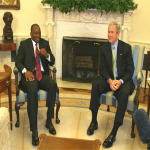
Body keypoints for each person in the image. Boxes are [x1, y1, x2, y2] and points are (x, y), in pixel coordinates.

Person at [87, 22, 135, 148]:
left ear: (118, 34)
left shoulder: (126, 48)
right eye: (108, 31)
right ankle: (94, 121)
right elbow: (102, 69)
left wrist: (120, 81)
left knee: (124, 93)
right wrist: (109, 81)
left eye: (112, 32)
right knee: (96, 84)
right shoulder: (103, 48)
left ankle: (113, 132)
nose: (109, 34)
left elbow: (130, 70)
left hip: (123, 81)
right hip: (110, 81)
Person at [15, 24, 57, 146]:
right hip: (30, 76)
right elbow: (18, 61)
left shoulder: (44, 43)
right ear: (31, 34)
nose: (37, 35)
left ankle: (49, 121)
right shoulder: (24, 45)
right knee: (32, 91)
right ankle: (34, 130)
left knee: (53, 85)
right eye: (35, 33)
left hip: (42, 75)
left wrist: (47, 55)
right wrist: (25, 71)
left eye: (39, 33)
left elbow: (52, 60)